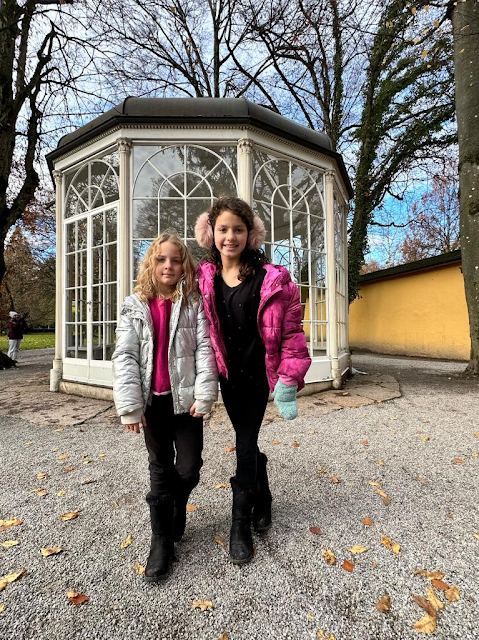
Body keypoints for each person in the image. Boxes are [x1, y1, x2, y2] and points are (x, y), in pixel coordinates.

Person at [195, 196, 311, 565]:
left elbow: (292, 333)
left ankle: (239, 523)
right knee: (249, 443)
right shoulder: (203, 279)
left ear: (251, 234)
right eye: (223, 229)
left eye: (238, 229)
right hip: (228, 378)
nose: (230, 237)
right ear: (211, 233)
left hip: (260, 377)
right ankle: (265, 496)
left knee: (244, 445)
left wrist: (289, 378)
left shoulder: (274, 279)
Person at [112, 231, 218, 582]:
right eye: (161, 259)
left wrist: (205, 394)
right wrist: (130, 406)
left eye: (175, 260)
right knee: (159, 466)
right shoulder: (134, 305)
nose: (168, 266)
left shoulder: (193, 303)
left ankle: (175, 504)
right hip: (152, 403)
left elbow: (204, 349)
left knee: (189, 467)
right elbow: (125, 355)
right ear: (151, 264)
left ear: (184, 265)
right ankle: (160, 541)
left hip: (186, 403)